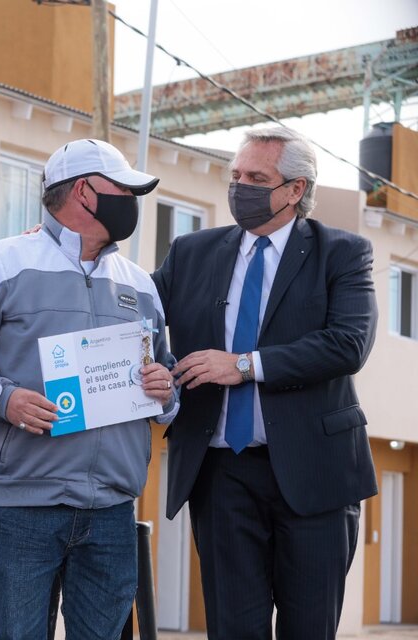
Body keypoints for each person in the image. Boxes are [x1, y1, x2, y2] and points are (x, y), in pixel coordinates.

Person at [0, 139, 179, 639]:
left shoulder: (140, 284)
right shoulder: (5, 262)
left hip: (111, 510)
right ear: (84, 193)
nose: (131, 201)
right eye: (122, 189)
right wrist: (4, 399)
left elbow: (166, 380)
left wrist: (165, 391)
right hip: (20, 509)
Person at [153, 126, 378, 639]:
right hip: (221, 474)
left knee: (308, 630)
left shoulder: (341, 254)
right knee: (233, 630)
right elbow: (135, 311)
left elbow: (349, 344)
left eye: (257, 177)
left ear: (295, 190)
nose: (240, 186)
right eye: (236, 175)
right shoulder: (191, 252)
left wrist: (244, 364)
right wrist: (72, 253)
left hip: (315, 476)